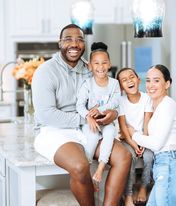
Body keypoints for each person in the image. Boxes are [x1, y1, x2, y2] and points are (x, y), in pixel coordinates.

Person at [32, 24, 131, 206]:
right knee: (79, 166)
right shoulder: (45, 72)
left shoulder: (90, 68)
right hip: (54, 130)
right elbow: (47, 115)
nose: (74, 44)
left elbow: (109, 95)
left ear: (84, 44)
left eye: (79, 39)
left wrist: (112, 113)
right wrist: (86, 118)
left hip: (87, 127)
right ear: (59, 43)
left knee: (124, 157)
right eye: (68, 39)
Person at [128, 64, 176, 206]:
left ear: (167, 83)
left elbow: (157, 143)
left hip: (170, 167)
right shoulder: (155, 106)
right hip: (165, 167)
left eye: (156, 80)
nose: (151, 85)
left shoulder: (168, 105)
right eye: (148, 80)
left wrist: (133, 134)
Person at [76, 42, 121, 184]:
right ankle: (87, 172)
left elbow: (115, 102)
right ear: (90, 66)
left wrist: (100, 110)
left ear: (109, 64)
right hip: (92, 121)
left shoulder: (114, 83)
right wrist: (88, 116)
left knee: (109, 135)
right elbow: (79, 105)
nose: (100, 67)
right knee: (93, 138)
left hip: (107, 121)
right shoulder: (87, 84)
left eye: (104, 63)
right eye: (96, 63)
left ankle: (100, 169)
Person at [116, 68, 153, 206]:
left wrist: (143, 142)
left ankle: (143, 187)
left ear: (138, 80)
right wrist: (133, 144)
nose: (129, 81)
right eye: (124, 80)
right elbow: (123, 127)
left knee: (149, 157)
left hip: (144, 137)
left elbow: (147, 123)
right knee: (129, 158)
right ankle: (129, 194)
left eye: (131, 77)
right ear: (120, 86)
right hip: (127, 139)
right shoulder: (120, 101)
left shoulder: (146, 98)